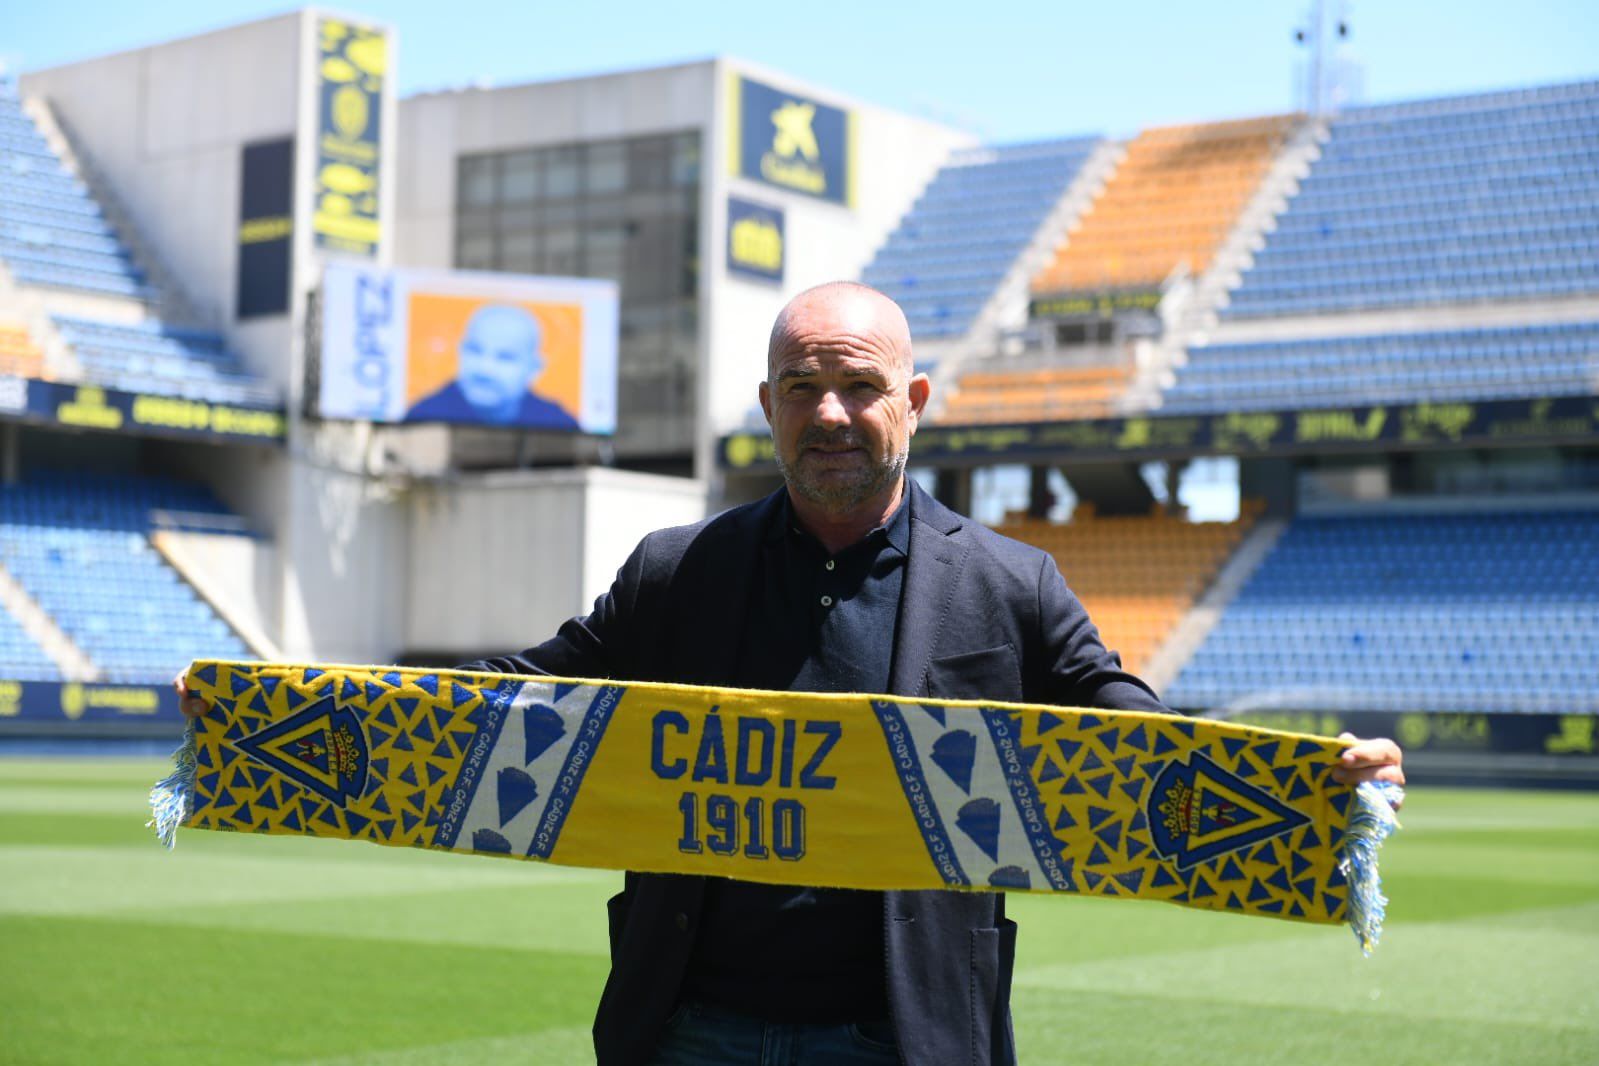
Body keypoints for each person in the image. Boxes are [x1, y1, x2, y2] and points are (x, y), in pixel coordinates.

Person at [181, 281, 1403, 1066]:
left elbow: (1123, 730)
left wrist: (1309, 783)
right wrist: (283, 714)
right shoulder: (676, 570)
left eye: (860, 385)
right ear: (767, 405)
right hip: (689, 1026)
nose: (832, 410)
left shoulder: (1012, 582)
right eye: (805, 386)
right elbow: (528, 696)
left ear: (912, 403)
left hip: (907, 1028)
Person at [406, 302, 580, 429]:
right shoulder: (425, 410)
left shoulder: (556, 418)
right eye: (475, 350)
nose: (485, 369)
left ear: (534, 368)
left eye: (505, 358)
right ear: (460, 350)